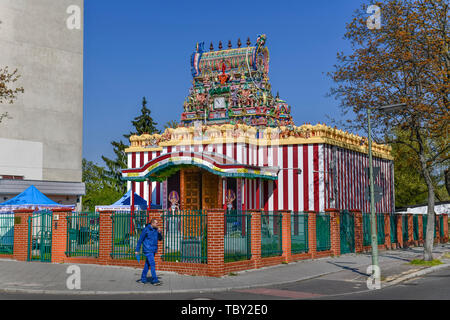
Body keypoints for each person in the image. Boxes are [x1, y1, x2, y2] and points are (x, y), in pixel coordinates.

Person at [135, 218, 163, 285]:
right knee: (152, 264)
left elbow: (160, 239)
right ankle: (155, 280)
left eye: (157, 223)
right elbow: (140, 240)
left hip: (153, 249)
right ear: (152, 223)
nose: (157, 225)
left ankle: (143, 279)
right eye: (156, 223)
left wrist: (160, 233)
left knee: (147, 265)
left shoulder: (156, 230)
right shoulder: (146, 230)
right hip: (148, 249)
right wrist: (137, 250)